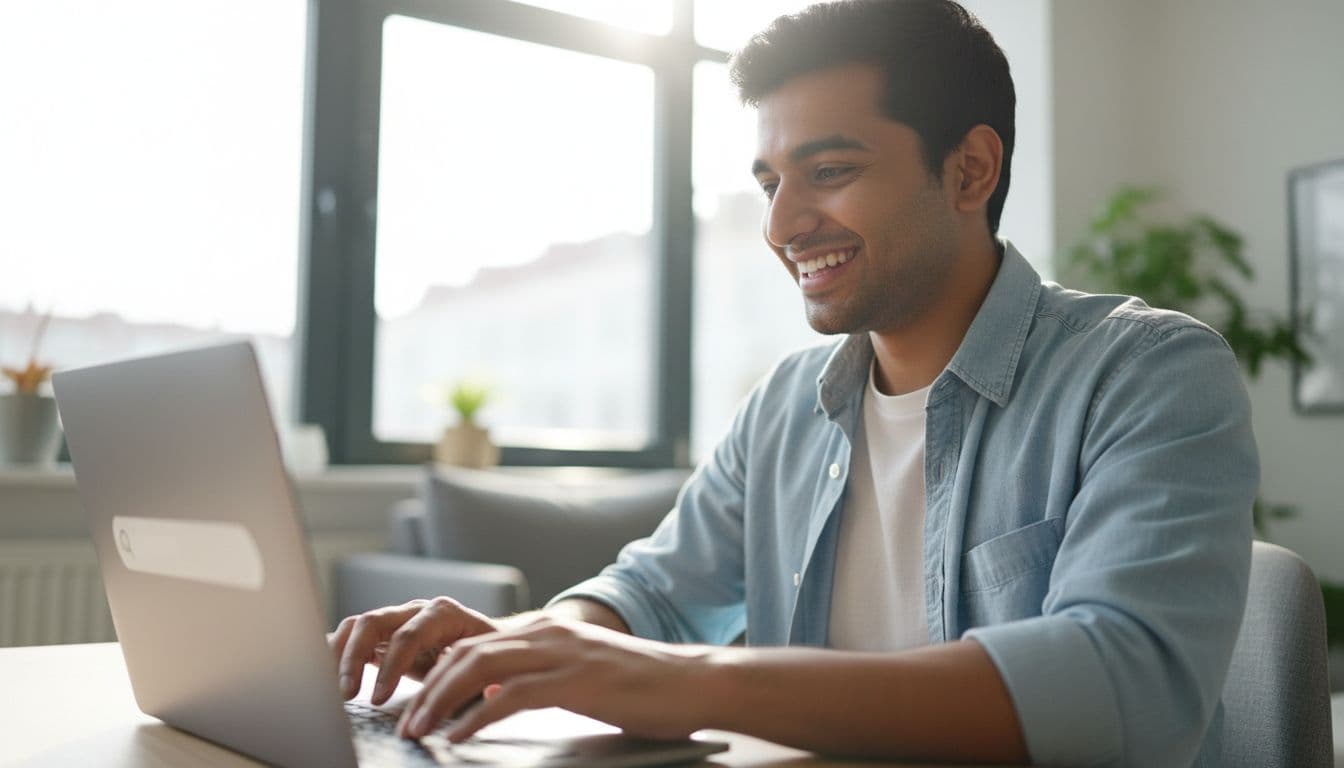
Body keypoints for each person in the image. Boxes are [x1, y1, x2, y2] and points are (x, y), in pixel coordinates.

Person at [328, 1, 1258, 765]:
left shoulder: (1148, 374)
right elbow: (651, 596)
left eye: (830, 171)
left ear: (970, 168)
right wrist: (525, 646)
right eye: (770, 179)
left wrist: (686, 680)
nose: (783, 223)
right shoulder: (786, 406)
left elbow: (1123, 687)